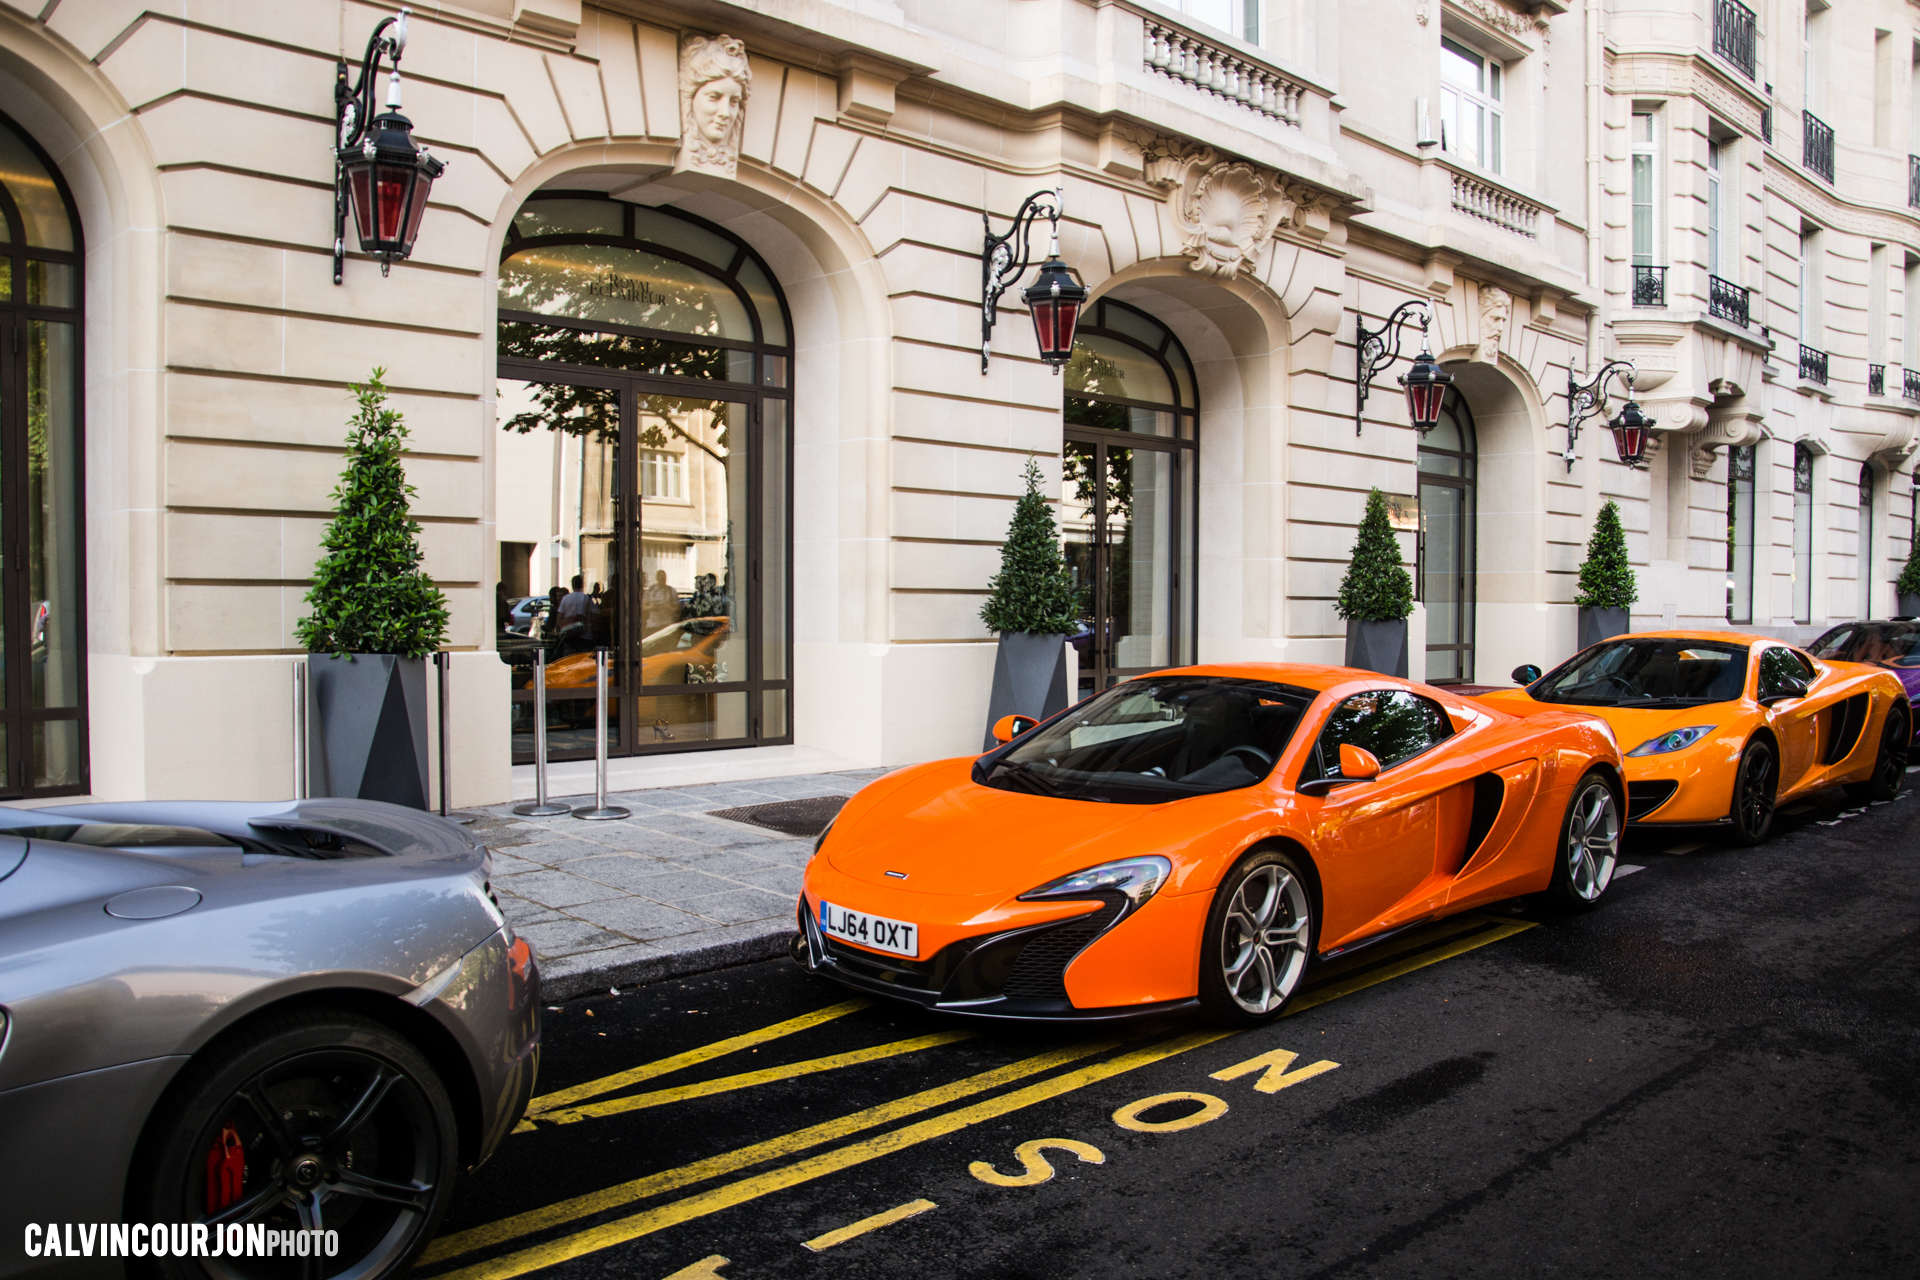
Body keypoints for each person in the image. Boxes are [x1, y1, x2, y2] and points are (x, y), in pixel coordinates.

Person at [555, 575, 595, 655]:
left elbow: (560, 616)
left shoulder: (566, 598)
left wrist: (558, 630)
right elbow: (592, 616)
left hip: (568, 633)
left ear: (572, 585)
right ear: (582, 584)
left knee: (568, 655)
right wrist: (594, 631)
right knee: (582, 657)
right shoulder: (586, 598)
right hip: (584, 634)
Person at [642, 569, 680, 636]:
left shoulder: (671, 591)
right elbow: (643, 607)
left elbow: (677, 608)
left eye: (664, 578)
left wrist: (668, 608)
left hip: (666, 624)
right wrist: (652, 607)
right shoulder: (650, 590)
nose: (663, 580)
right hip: (652, 625)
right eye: (662, 578)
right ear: (657, 578)